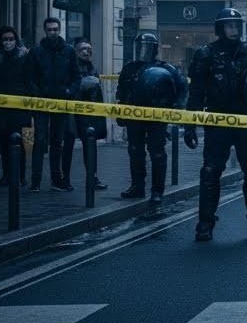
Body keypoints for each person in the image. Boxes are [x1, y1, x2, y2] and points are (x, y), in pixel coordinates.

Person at [186, 8, 247, 241]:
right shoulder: (205, 54)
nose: (233, 29)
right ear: (220, 28)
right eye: (229, 25)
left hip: (246, 118)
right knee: (210, 171)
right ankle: (205, 223)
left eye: (236, 25)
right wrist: (190, 124)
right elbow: (195, 92)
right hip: (217, 119)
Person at [116, 33, 187, 205]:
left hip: (157, 116)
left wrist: (175, 107)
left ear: (154, 49)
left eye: (147, 47)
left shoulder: (166, 68)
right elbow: (122, 90)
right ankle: (137, 186)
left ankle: (157, 190)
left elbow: (182, 86)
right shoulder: (129, 68)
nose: (143, 51)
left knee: (157, 153)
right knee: (135, 150)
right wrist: (120, 111)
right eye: (140, 47)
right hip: (134, 115)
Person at [26, 17, 78, 193]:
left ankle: (57, 180)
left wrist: (69, 91)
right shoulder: (36, 52)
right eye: (50, 29)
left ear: (60, 29)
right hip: (42, 102)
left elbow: (76, 77)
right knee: (39, 140)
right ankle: (35, 181)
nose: (53, 32)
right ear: (45, 31)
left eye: (55, 29)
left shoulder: (69, 52)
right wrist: (38, 93)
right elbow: (30, 78)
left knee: (57, 142)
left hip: (61, 102)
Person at [0, 25, 31, 187]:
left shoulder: (24, 54)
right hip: (1, 106)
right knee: (4, 142)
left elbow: (29, 78)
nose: (8, 42)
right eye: (5, 39)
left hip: (20, 105)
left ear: (16, 39)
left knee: (21, 142)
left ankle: (21, 176)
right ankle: (6, 175)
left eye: (11, 39)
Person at [64, 38, 107, 192]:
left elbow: (97, 94)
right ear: (75, 51)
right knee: (68, 145)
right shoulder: (70, 68)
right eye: (82, 49)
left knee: (90, 145)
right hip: (72, 111)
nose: (86, 51)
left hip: (88, 113)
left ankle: (92, 178)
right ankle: (65, 179)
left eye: (88, 49)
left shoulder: (92, 69)